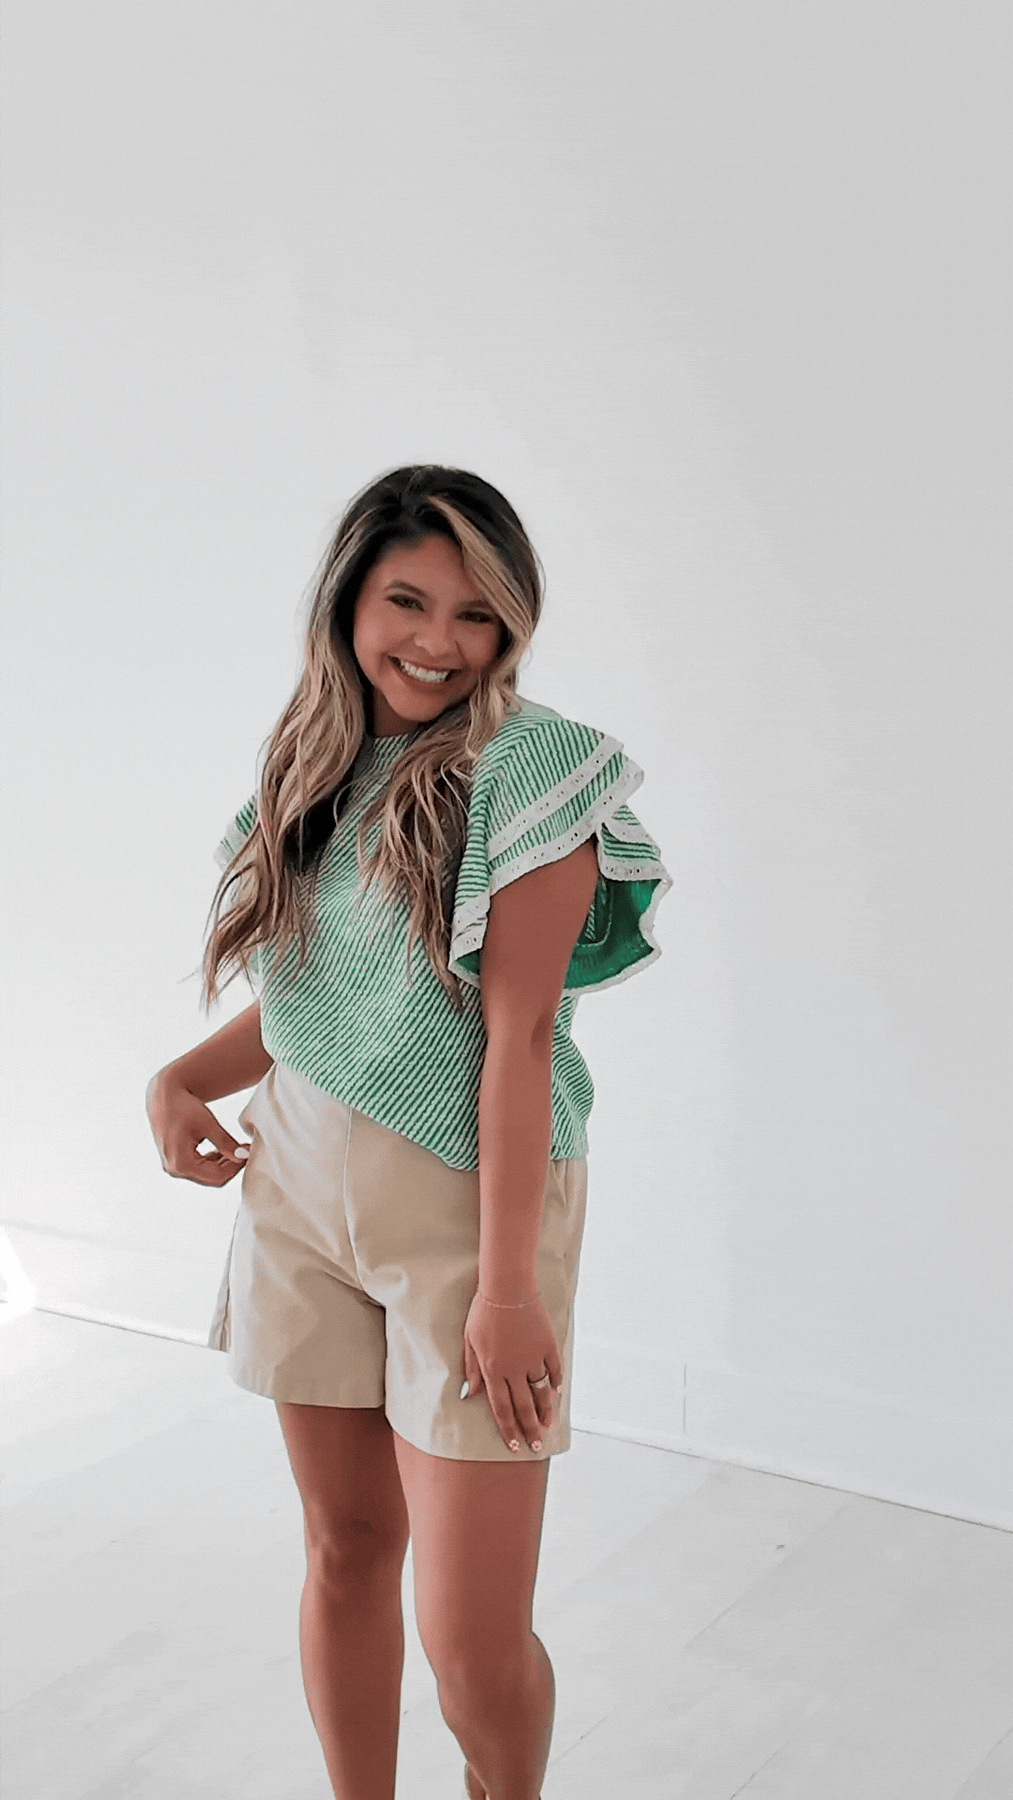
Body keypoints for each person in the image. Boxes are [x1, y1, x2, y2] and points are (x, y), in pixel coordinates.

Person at [145, 465, 671, 1800]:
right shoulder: (313, 763)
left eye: (477, 614)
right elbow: (317, 998)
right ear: (348, 601)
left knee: (471, 1645)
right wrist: (182, 1077)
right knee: (343, 1553)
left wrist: (509, 1289)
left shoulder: (534, 772)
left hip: (467, 1210)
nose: (439, 641)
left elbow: (518, 1039)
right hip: (296, 1185)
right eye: (408, 601)